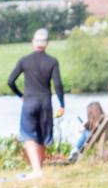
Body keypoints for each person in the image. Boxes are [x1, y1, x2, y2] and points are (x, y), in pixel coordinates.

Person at [7, 28, 65, 178]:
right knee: (43, 135)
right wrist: (62, 104)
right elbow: (58, 84)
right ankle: (39, 169)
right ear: (46, 44)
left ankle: (36, 170)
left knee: (28, 135)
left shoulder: (24, 61)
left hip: (29, 102)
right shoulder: (52, 61)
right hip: (45, 102)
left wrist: (21, 95)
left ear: (33, 42)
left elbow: (10, 81)